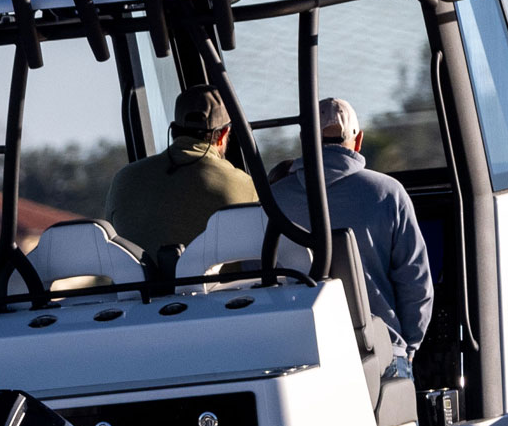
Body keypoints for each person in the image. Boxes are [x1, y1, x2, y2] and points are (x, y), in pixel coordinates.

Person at [271, 97, 432, 354]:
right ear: (358, 141)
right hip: (378, 350)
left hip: (298, 350)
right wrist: (407, 348)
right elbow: (415, 283)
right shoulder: (389, 194)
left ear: (304, 140)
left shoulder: (273, 199)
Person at [102, 86, 259, 255]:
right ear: (223, 134)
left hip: (143, 282)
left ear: (174, 130)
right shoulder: (243, 184)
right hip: (217, 282)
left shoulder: (124, 179)